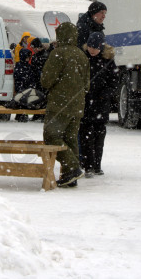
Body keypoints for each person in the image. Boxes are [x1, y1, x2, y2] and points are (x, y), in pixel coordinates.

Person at [40, 21, 90, 187]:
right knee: (70, 140)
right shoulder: (82, 55)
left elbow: (46, 81)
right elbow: (87, 84)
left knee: (51, 136)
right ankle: (70, 176)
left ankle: (73, 167)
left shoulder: (58, 54)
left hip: (59, 104)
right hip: (77, 106)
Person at [79, 32, 120, 177]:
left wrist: (105, 94)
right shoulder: (83, 58)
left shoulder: (108, 60)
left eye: (95, 47)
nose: (92, 50)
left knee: (99, 137)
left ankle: (97, 165)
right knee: (86, 136)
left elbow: (114, 81)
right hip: (85, 103)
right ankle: (88, 165)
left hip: (101, 104)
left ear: (101, 47)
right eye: (90, 46)